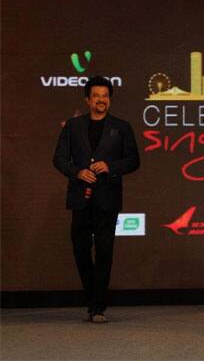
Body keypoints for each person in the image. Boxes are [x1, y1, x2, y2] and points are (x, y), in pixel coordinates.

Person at [53, 76, 140, 323]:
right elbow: (59, 159)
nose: (101, 100)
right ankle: (93, 298)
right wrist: (77, 172)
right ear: (87, 100)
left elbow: (133, 160)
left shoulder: (122, 127)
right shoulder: (73, 125)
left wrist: (110, 166)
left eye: (105, 96)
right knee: (81, 251)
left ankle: (98, 307)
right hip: (80, 198)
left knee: (104, 251)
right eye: (96, 96)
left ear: (109, 99)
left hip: (107, 198)